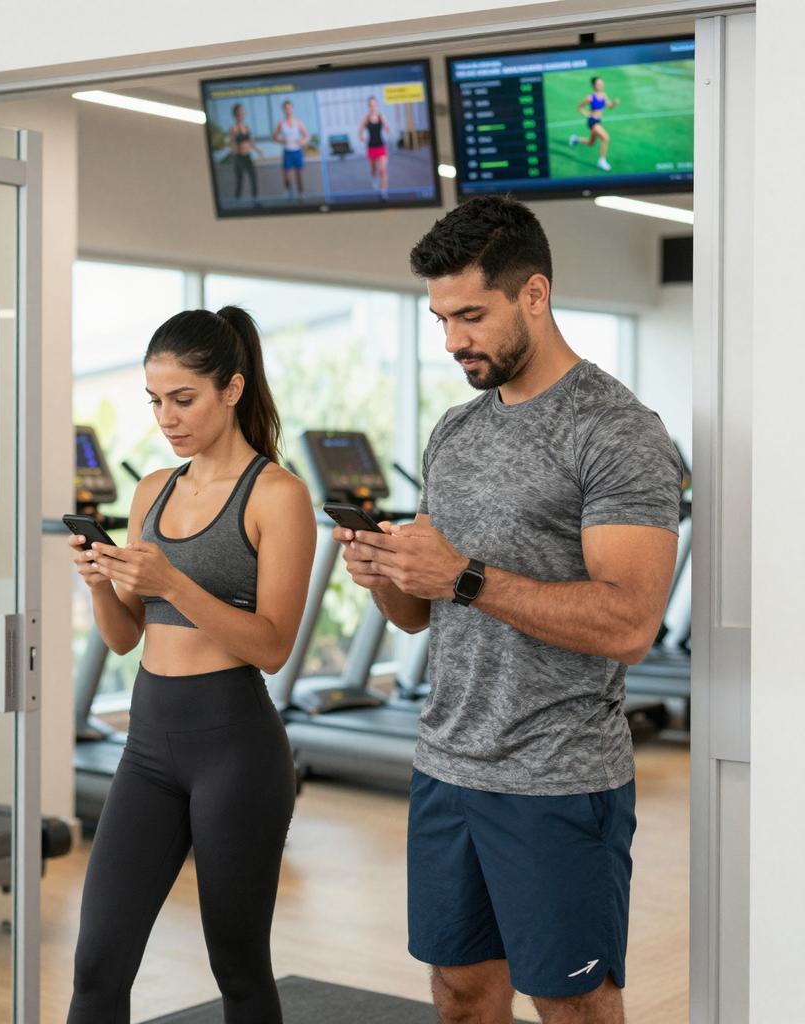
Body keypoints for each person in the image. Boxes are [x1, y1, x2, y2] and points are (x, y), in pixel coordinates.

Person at [336, 195, 681, 1024]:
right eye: (440, 319)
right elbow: (423, 618)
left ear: (534, 294)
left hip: (558, 779)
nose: (453, 340)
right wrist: (387, 573)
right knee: (459, 992)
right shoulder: (455, 432)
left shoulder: (617, 430)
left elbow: (631, 624)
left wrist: (460, 574)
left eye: (470, 315)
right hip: (447, 765)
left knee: (573, 1004)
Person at [66, 306, 316, 1024]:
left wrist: (173, 581)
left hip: (234, 749)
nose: (166, 418)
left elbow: (272, 645)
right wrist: (98, 582)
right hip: (148, 746)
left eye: (183, 399)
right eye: (155, 401)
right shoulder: (154, 488)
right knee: (96, 966)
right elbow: (123, 637)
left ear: (231, 390)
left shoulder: (278, 496)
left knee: (238, 969)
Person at [569, 75, 621, 171]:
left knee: (591, 143)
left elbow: (609, 107)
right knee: (606, 138)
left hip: (598, 121)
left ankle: (575, 139)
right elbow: (579, 107)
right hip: (592, 121)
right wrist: (587, 115)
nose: (600, 85)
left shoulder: (604, 95)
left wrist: (614, 103)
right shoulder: (590, 98)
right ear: (594, 86)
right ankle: (601, 161)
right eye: (598, 84)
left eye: (601, 83)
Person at [272, 100, 310, 200]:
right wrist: (281, 141)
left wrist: (302, 141)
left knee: (299, 176)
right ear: (283, 110)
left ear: (292, 109)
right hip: (287, 152)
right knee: (287, 177)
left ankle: (301, 194)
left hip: (297, 152)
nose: (288, 110)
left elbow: (307, 136)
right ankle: (288, 191)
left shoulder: (298, 122)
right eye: (286, 108)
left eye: (289, 108)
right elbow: (274, 137)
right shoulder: (281, 123)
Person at [358, 95, 391, 199]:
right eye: (370, 105)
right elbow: (359, 132)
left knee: (383, 170)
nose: (372, 107)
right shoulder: (365, 119)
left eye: (374, 105)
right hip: (371, 148)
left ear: (376, 105)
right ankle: (374, 179)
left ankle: (384, 192)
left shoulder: (381, 117)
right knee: (373, 170)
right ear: (368, 106)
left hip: (381, 147)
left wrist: (387, 129)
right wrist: (362, 137)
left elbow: (386, 127)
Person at [228, 103, 262, 201]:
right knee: (240, 182)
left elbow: (251, 142)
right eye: (239, 112)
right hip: (239, 158)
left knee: (253, 179)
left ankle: (256, 201)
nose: (242, 114)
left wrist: (259, 150)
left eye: (243, 112)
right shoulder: (233, 128)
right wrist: (233, 152)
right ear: (235, 114)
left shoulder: (246, 127)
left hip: (248, 157)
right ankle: (237, 202)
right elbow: (233, 143)